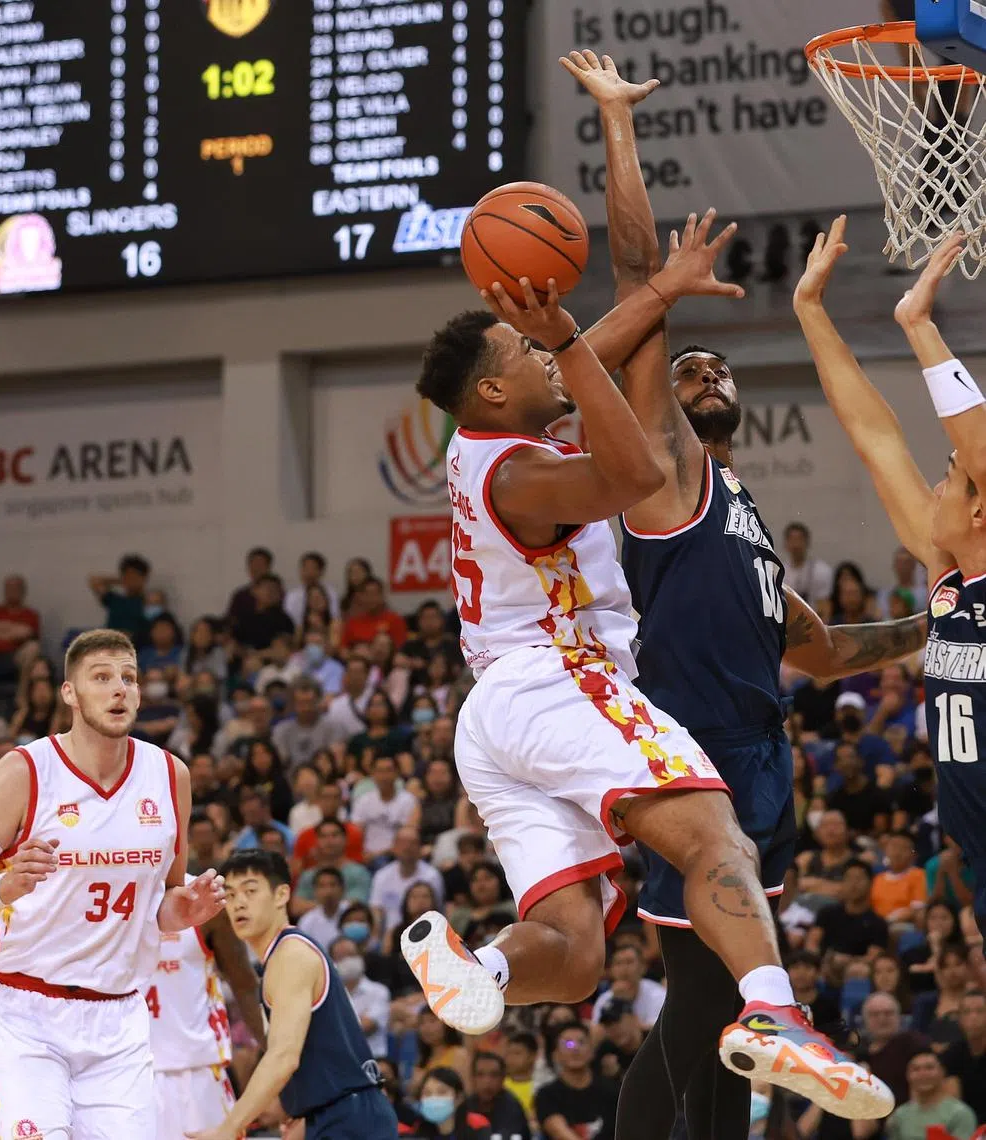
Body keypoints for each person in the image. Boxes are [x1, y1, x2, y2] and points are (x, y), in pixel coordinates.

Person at [407, 49, 889, 1122]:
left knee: (575, 957)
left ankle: (479, 967)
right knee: (714, 857)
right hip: (567, 688)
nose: (551, 358)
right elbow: (616, 399)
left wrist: (657, 284)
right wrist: (606, 310)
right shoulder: (568, 466)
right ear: (499, 386)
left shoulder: (507, 436)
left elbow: (614, 322)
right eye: (528, 357)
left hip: (509, 713)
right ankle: (775, 1012)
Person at [568, 49, 926, 1140]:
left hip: (762, 757)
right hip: (692, 755)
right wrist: (620, 128)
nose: (705, 372)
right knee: (705, 1011)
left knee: (724, 1013)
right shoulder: (663, 468)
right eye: (687, 369)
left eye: (719, 369)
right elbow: (639, 283)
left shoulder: (741, 504)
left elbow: (818, 650)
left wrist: (933, 622)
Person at [0, 628, 226, 1140]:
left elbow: (160, 902)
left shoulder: (169, 775)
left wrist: (182, 912)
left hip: (119, 1012)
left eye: (129, 678)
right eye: (102, 677)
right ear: (69, 692)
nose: (119, 690)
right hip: (26, 1010)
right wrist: (3, 889)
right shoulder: (23, 772)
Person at [794, 221, 986, 990]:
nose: (933, 487)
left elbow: (979, 450)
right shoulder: (948, 577)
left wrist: (919, 324)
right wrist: (811, 310)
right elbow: (875, 436)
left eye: (950, 480)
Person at [189, 849, 397, 1139]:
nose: (239, 904)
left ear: (281, 895)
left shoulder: (291, 956)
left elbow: (284, 1057)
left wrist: (229, 1127)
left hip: (347, 1116)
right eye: (231, 895)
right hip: (337, 1112)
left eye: (250, 891)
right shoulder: (282, 956)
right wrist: (305, 1113)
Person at [144, 873, 266, 1140]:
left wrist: (272, 1051)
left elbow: (243, 984)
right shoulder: (105, 888)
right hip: (125, 1066)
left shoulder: (205, 896)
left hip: (196, 1070)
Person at [854, 1049, 976, 1140]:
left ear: (942, 1072)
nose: (923, 1074)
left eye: (929, 1068)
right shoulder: (900, 1115)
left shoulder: (961, 1113)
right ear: (907, 1075)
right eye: (916, 1069)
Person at [535, 1022, 618, 1140]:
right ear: (555, 1055)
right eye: (568, 1044)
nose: (575, 1049)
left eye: (582, 1042)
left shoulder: (613, 1091)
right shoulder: (547, 1095)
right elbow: (559, 1132)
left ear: (592, 1051)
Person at [330, 936, 390, 1060]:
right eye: (341, 957)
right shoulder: (329, 995)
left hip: (374, 1060)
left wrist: (337, 1027)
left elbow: (366, 1027)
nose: (347, 960)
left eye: (351, 955)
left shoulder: (378, 992)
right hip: (340, 1061)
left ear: (360, 956)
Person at [941, 990, 986, 1124]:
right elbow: (952, 1104)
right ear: (959, 1019)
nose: (973, 1017)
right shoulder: (953, 1054)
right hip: (967, 1126)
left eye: (980, 1011)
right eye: (967, 1012)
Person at [464, 1052, 531, 1140]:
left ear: (503, 1078)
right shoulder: (465, 1106)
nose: (487, 1081)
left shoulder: (512, 1108)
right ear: (472, 1078)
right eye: (480, 1074)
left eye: (494, 1075)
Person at [781, 523, 834, 610]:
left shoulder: (821, 571)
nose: (796, 545)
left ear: (807, 542)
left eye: (799, 539)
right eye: (792, 540)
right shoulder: (778, 572)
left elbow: (825, 608)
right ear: (786, 544)